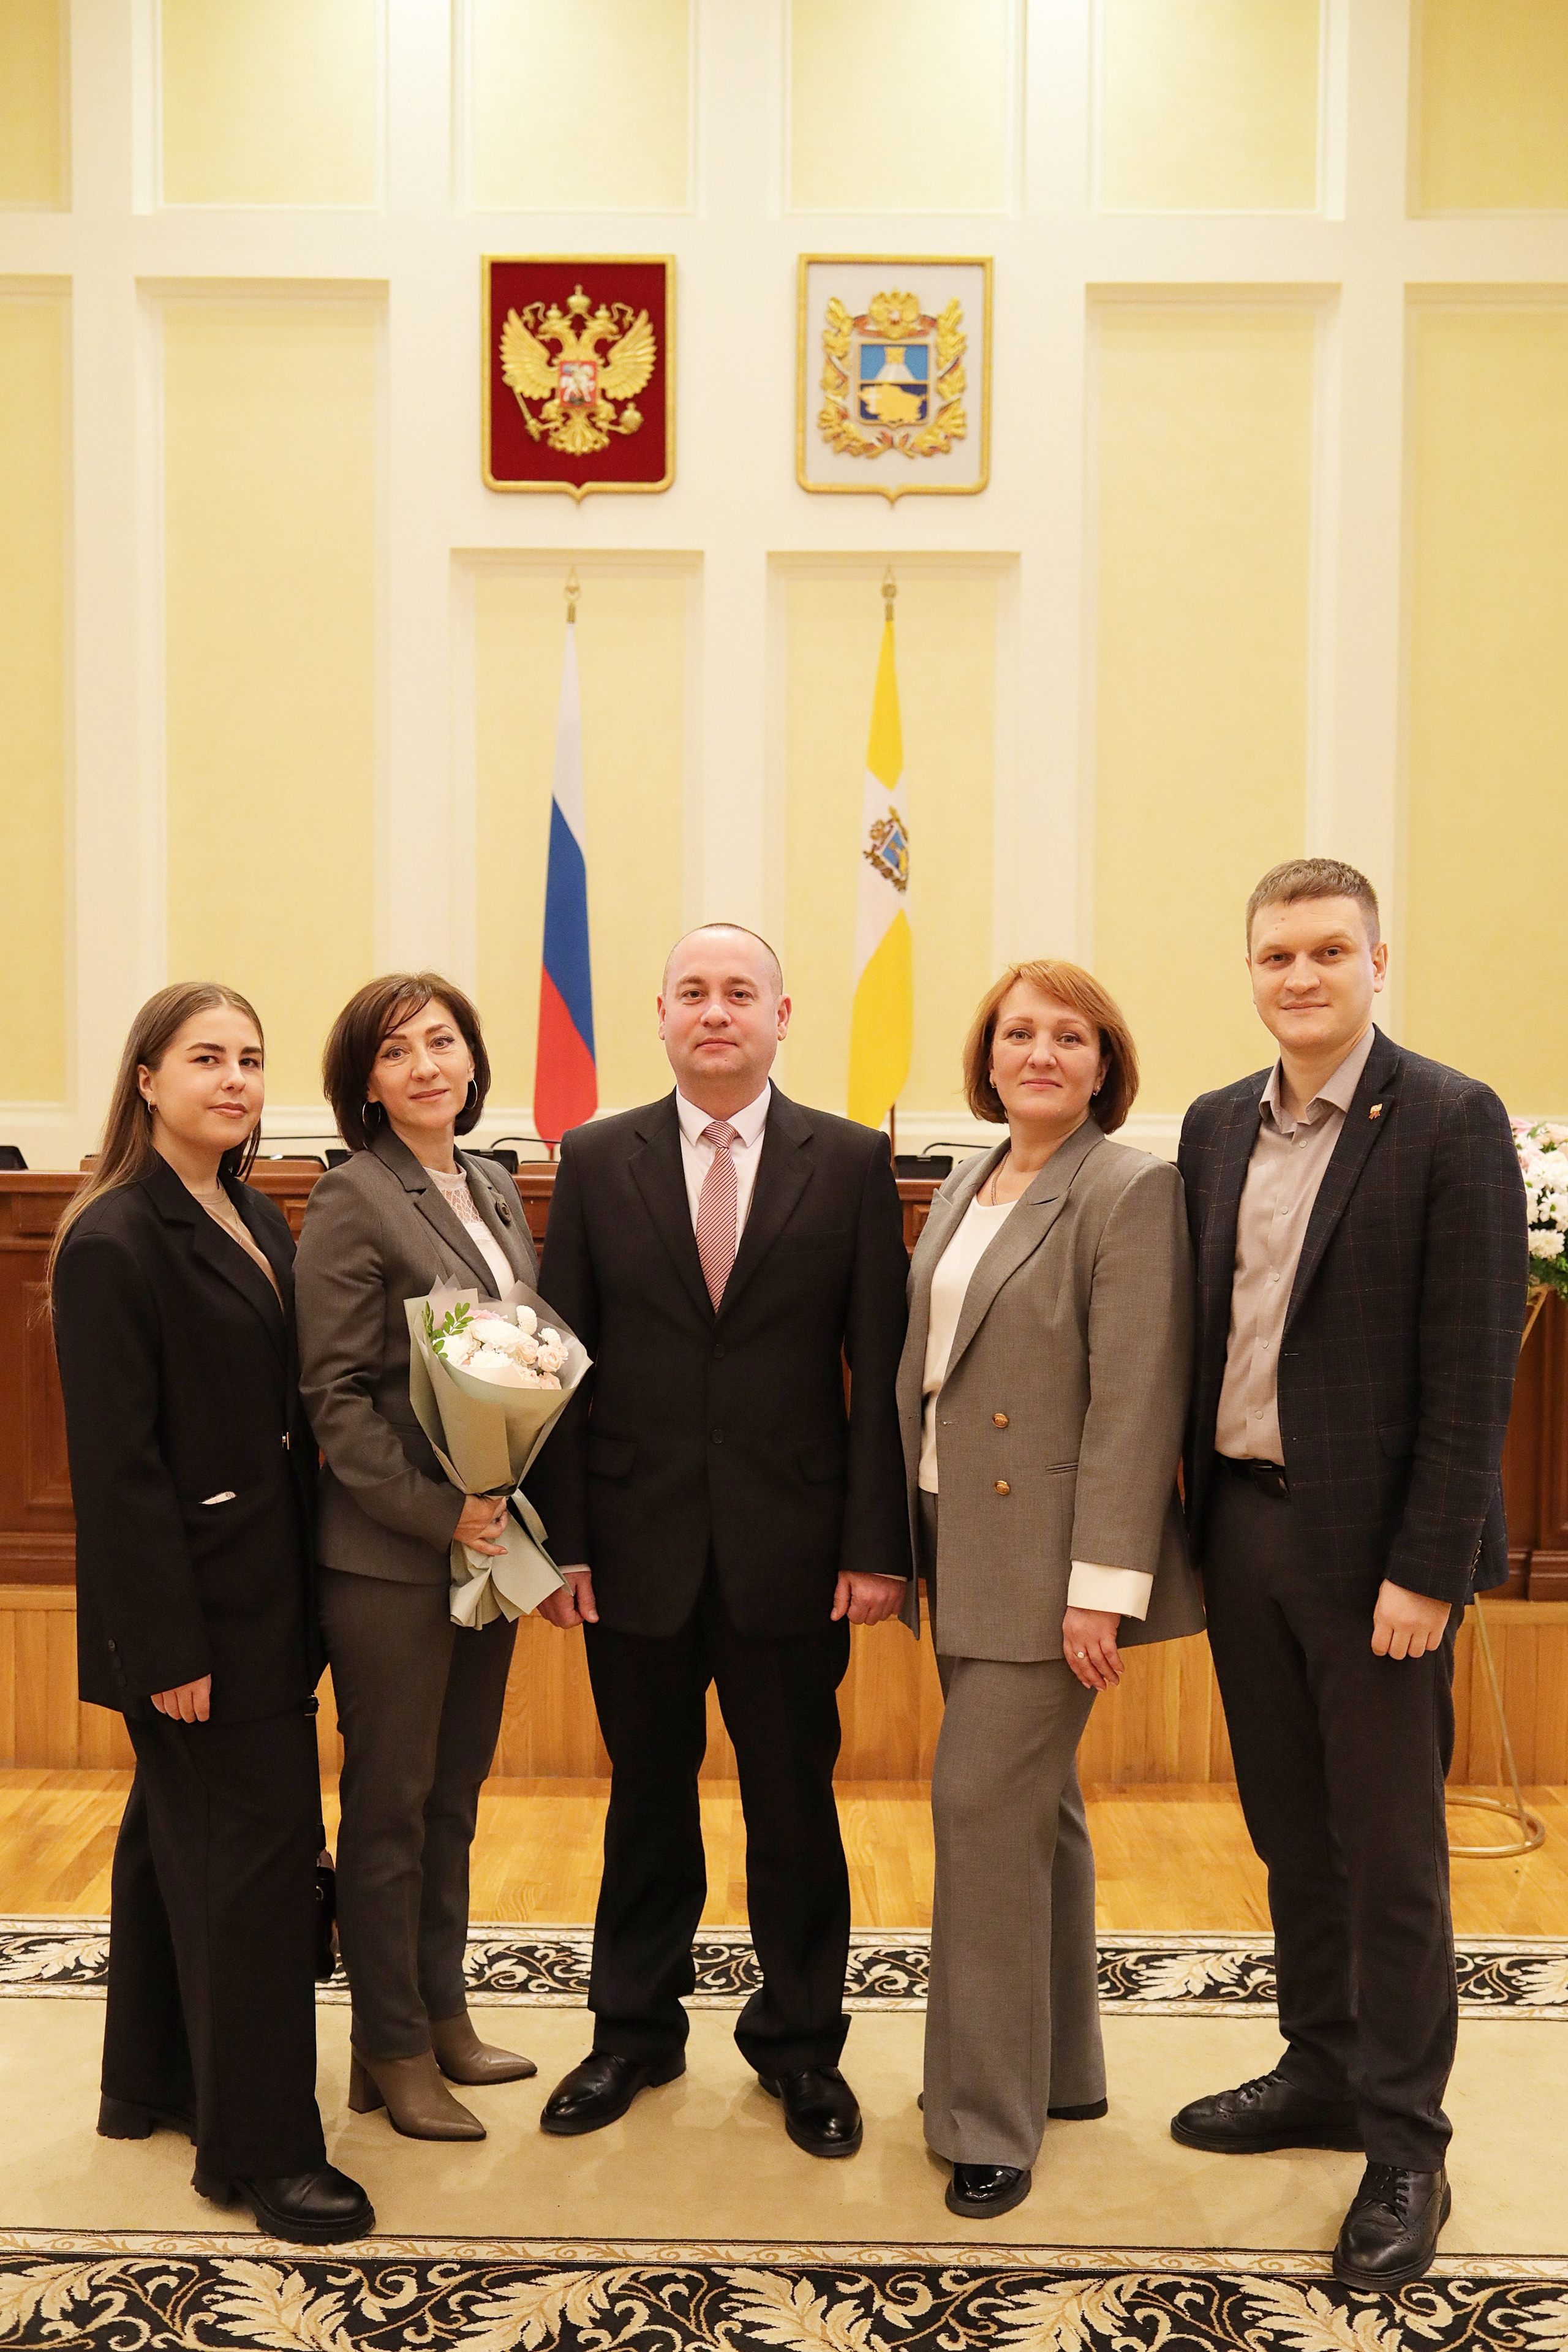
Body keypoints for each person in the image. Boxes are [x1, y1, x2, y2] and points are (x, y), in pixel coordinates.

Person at [1171, 858, 1528, 2290]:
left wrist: (1425, 1570)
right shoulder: (1209, 1128)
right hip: (1245, 1532)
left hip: (1378, 1558)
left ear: (1378, 959)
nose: (1299, 977)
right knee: (1286, 1828)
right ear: (1249, 971)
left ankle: (1402, 2142)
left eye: (1326, 952)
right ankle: (1316, 2068)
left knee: (1388, 1858)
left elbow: (1467, 1370)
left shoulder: (1446, 1119)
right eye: (1275, 956)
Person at [527, 924, 911, 2157]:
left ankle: (801, 2048)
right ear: (658, 1012)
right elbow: (560, 1368)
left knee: (790, 1807)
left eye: (738, 992)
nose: (714, 1012)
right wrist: (564, 1545)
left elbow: (878, 1367)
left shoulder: (850, 1161)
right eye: (691, 991)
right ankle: (632, 2032)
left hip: (793, 1553)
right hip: (629, 1550)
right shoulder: (593, 1158)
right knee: (646, 1801)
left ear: (782, 1015)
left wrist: (873, 1547)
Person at [49, 982, 372, 2245]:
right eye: (205, 1059)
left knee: (171, 1839)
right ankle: (264, 2152)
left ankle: (156, 2082)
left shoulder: (246, 1209)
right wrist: (163, 1649)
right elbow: (116, 1473)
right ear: (145, 1078)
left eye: (250, 1058)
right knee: (253, 1868)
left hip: (265, 1591)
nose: (234, 1081)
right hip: (195, 1618)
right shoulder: (112, 1238)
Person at [901, 960, 1202, 2221]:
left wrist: (1099, 1590)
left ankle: (984, 2120)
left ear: (1102, 1060)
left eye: (1066, 1035)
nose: (1038, 1053)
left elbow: (1137, 1403)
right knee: (1034, 1812)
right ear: (987, 1054)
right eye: (1017, 1033)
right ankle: (1061, 2067)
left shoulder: (1129, 1186)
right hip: (951, 1537)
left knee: (976, 1811)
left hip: (1047, 1561)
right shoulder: (973, 1174)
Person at [295, 974, 540, 2141]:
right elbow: (335, 1399)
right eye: (397, 1053)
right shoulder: (352, 1196)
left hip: (484, 1548)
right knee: (388, 1809)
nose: (427, 1066)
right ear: (365, 1081)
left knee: (454, 1798)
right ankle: (386, 2049)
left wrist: (492, 1498)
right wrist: (437, 1511)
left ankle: (441, 2014)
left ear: (472, 1058)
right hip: (394, 1556)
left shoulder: (491, 1184)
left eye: (443, 1042)